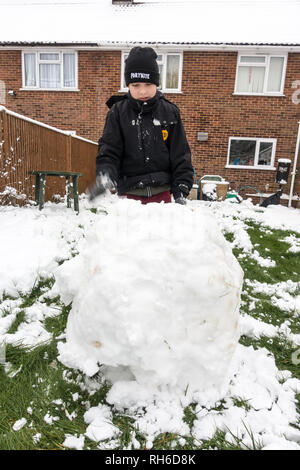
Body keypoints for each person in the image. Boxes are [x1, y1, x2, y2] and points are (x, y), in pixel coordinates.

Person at [88, 46, 194, 204]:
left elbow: (180, 154)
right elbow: (109, 150)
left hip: (163, 193)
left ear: (156, 83)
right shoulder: (117, 113)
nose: (143, 91)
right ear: (128, 85)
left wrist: (182, 187)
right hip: (130, 195)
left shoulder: (169, 112)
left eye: (148, 84)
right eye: (136, 85)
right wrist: (106, 176)